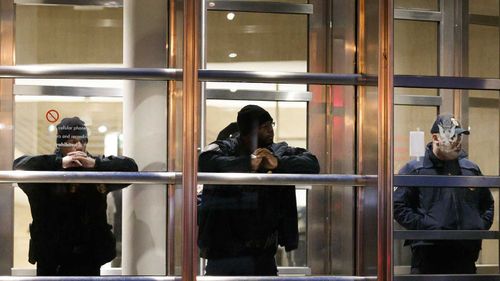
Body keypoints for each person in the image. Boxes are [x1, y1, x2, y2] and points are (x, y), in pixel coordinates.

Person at [198, 105, 320, 276]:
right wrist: (246, 164)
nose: (270, 131)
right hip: (224, 254)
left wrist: (278, 164)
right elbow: (204, 161)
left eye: (271, 124)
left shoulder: (278, 151)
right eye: (264, 127)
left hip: (263, 254)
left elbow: (312, 163)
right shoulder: (227, 147)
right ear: (249, 132)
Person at [13, 117, 138, 276]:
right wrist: (60, 163)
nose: (79, 146)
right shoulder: (45, 170)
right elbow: (19, 166)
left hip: (88, 256)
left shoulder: (95, 168)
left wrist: (95, 165)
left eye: (83, 141)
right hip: (52, 256)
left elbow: (131, 168)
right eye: (72, 141)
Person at [394, 113, 494, 274]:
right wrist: (426, 227)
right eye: (452, 136)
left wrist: (478, 225)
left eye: (459, 137)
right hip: (429, 254)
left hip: (465, 254)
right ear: (435, 137)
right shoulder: (415, 169)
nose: (458, 143)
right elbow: (397, 205)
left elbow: (487, 204)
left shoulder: (470, 169)